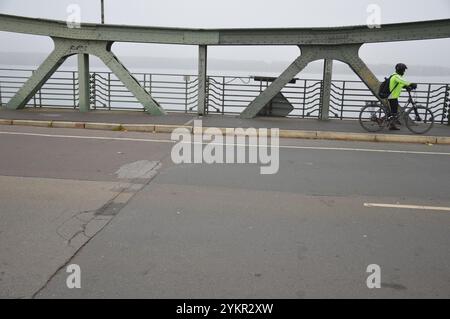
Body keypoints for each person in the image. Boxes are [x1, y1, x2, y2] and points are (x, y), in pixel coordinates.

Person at [387, 63, 417, 130]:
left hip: (393, 96)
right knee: (394, 112)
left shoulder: (396, 76)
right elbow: (402, 81)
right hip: (392, 96)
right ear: (400, 70)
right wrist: (411, 84)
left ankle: (392, 125)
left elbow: (400, 84)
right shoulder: (396, 76)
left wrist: (406, 87)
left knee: (394, 112)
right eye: (403, 70)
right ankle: (388, 122)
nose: (404, 72)